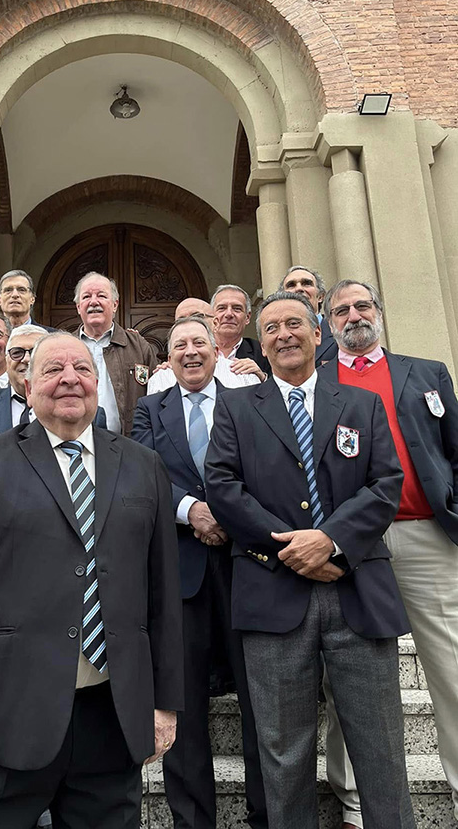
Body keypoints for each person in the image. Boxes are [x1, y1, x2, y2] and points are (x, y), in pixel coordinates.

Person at [0, 332, 184, 828]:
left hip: (111, 714)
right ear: (26, 384)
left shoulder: (143, 465)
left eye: (82, 369)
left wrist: (164, 703)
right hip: (11, 715)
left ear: (96, 383)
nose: (70, 379)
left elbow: (163, 594)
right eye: (53, 370)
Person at [204, 290, 415, 829]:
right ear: (262, 341)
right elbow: (223, 488)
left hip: (358, 591)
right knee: (283, 753)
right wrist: (292, 550)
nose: (283, 334)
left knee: (382, 750)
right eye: (271, 327)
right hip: (274, 596)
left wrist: (331, 540)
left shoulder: (361, 406)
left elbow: (385, 483)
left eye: (294, 323)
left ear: (318, 334)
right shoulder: (234, 406)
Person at [320, 279, 458, 827]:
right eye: (341, 310)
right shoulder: (317, 380)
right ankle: (354, 803)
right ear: (327, 324)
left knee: (451, 668)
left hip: (426, 534)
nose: (353, 315)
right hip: (355, 545)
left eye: (362, 305)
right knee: (348, 676)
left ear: (379, 310)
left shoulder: (426, 373)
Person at [132, 316, 267, 829]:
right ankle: (192, 820)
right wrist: (193, 511)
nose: (190, 352)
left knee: (259, 699)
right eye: (179, 345)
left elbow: (262, 471)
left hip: (247, 566)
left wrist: (230, 517)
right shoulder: (149, 410)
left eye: (199, 343)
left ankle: (266, 812)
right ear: (167, 359)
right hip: (179, 570)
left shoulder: (247, 405)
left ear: (218, 352)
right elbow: (144, 475)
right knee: (182, 704)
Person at [0, 325, 109, 433]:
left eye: (35, 352)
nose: (27, 359)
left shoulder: (89, 413)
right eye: (17, 353)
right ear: (6, 360)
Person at [74, 271, 158, 435]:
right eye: (86, 297)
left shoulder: (138, 346)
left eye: (101, 296)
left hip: (128, 445)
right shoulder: (65, 346)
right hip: (75, 444)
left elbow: (158, 395)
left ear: (115, 305)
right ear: (78, 307)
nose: (93, 302)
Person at [146, 299, 215, 395]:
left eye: (197, 316)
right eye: (181, 320)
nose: (189, 323)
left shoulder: (238, 374)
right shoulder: (162, 378)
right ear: (169, 358)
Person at [210, 285, 269, 387]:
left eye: (237, 309)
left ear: (247, 317)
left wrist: (262, 378)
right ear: (212, 315)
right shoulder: (197, 350)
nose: (229, 314)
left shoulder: (263, 353)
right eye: (222, 308)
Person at [280, 265, 337, 366]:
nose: (299, 289)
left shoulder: (339, 332)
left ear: (320, 296)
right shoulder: (275, 338)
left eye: (306, 283)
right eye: (291, 285)